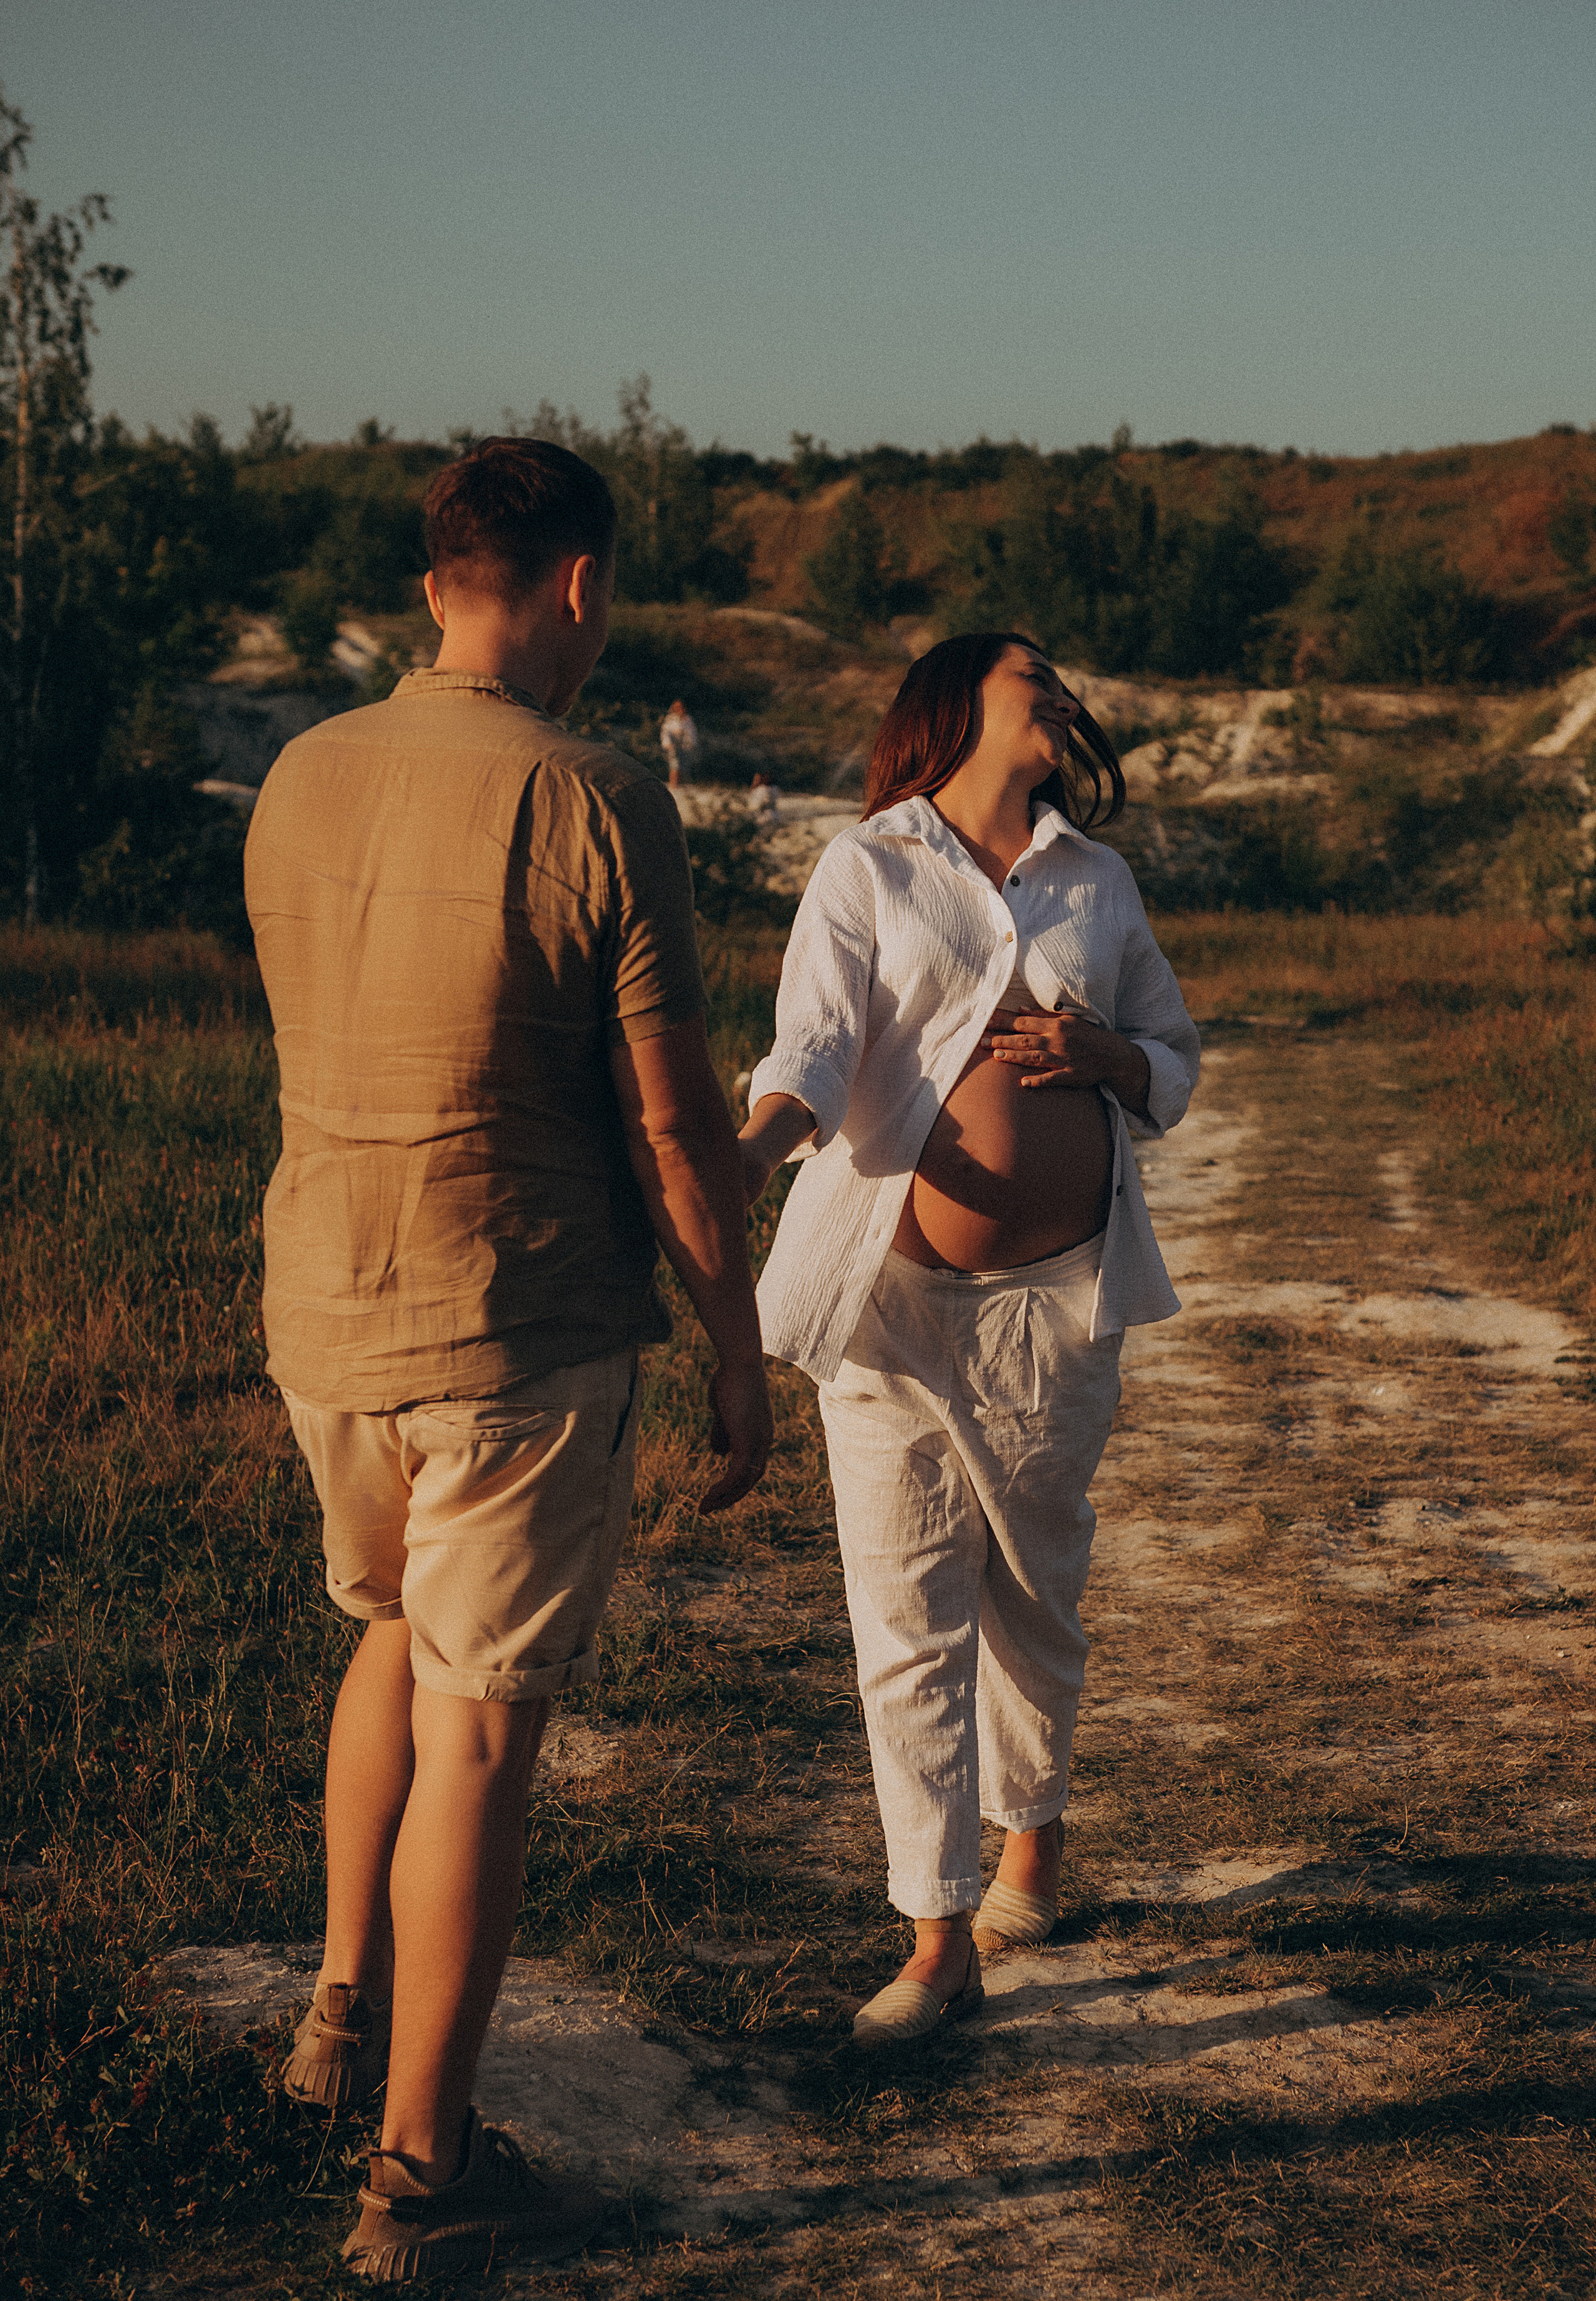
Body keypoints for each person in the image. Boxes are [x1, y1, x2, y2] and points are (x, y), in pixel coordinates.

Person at [244, 437, 772, 2278]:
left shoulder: (298, 774)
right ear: (577, 585)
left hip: (324, 1313)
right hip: (512, 1327)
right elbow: (674, 1125)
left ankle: (335, 2014)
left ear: (431, 587)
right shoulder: (597, 796)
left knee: (393, 1635)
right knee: (478, 1731)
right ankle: (421, 2173)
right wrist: (737, 1345)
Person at [737, 632, 1198, 2048]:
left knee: (1035, 1597)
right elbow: (813, 1051)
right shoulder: (867, 866)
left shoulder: (1095, 880)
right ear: (955, 705)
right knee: (905, 1618)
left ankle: (1030, 1842)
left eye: (1062, 681)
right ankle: (935, 1937)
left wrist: (1104, 1058)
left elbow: (1171, 1063)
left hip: (1055, 1308)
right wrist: (744, 1151)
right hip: (889, 1309)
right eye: (1029, 674)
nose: (1058, 692)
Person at [660, 697, 699, 788]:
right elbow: (665, 732)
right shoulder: (670, 720)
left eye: (681, 707)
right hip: (673, 746)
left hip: (685, 746)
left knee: (684, 766)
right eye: (677, 707)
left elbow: (692, 733)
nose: (679, 709)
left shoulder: (688, 720)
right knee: (675, 765)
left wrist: (692, 744)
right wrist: (667, 743)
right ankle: (674, 785)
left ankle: (681, 785)